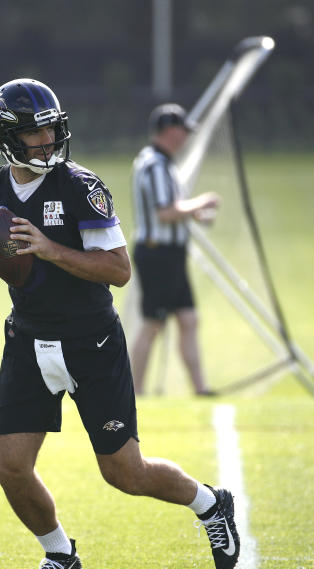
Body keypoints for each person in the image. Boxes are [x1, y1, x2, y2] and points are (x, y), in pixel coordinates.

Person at [0, 79, 240, 569]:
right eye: (34, 132)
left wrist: (49, 249)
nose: (48, 139)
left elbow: (119, 270)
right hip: (27, 341)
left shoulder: (80, 186)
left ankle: (210, 503)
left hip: (91, 341)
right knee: (11, 466)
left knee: (124, 473)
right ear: (6, 138)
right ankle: (60, 555)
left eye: (51, 127)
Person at [129, 103, 219, 397]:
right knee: (153, 323)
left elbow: (171, 209)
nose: (185, 138)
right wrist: (200, 203)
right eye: (182, 131)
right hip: (158, 253)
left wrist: (193, 214)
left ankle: (200, 388)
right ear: (169, 131)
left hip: (172, 253)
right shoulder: (154, 164)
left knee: (188, 319)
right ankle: (135, 390)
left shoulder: (163, 163)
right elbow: (165, 212)